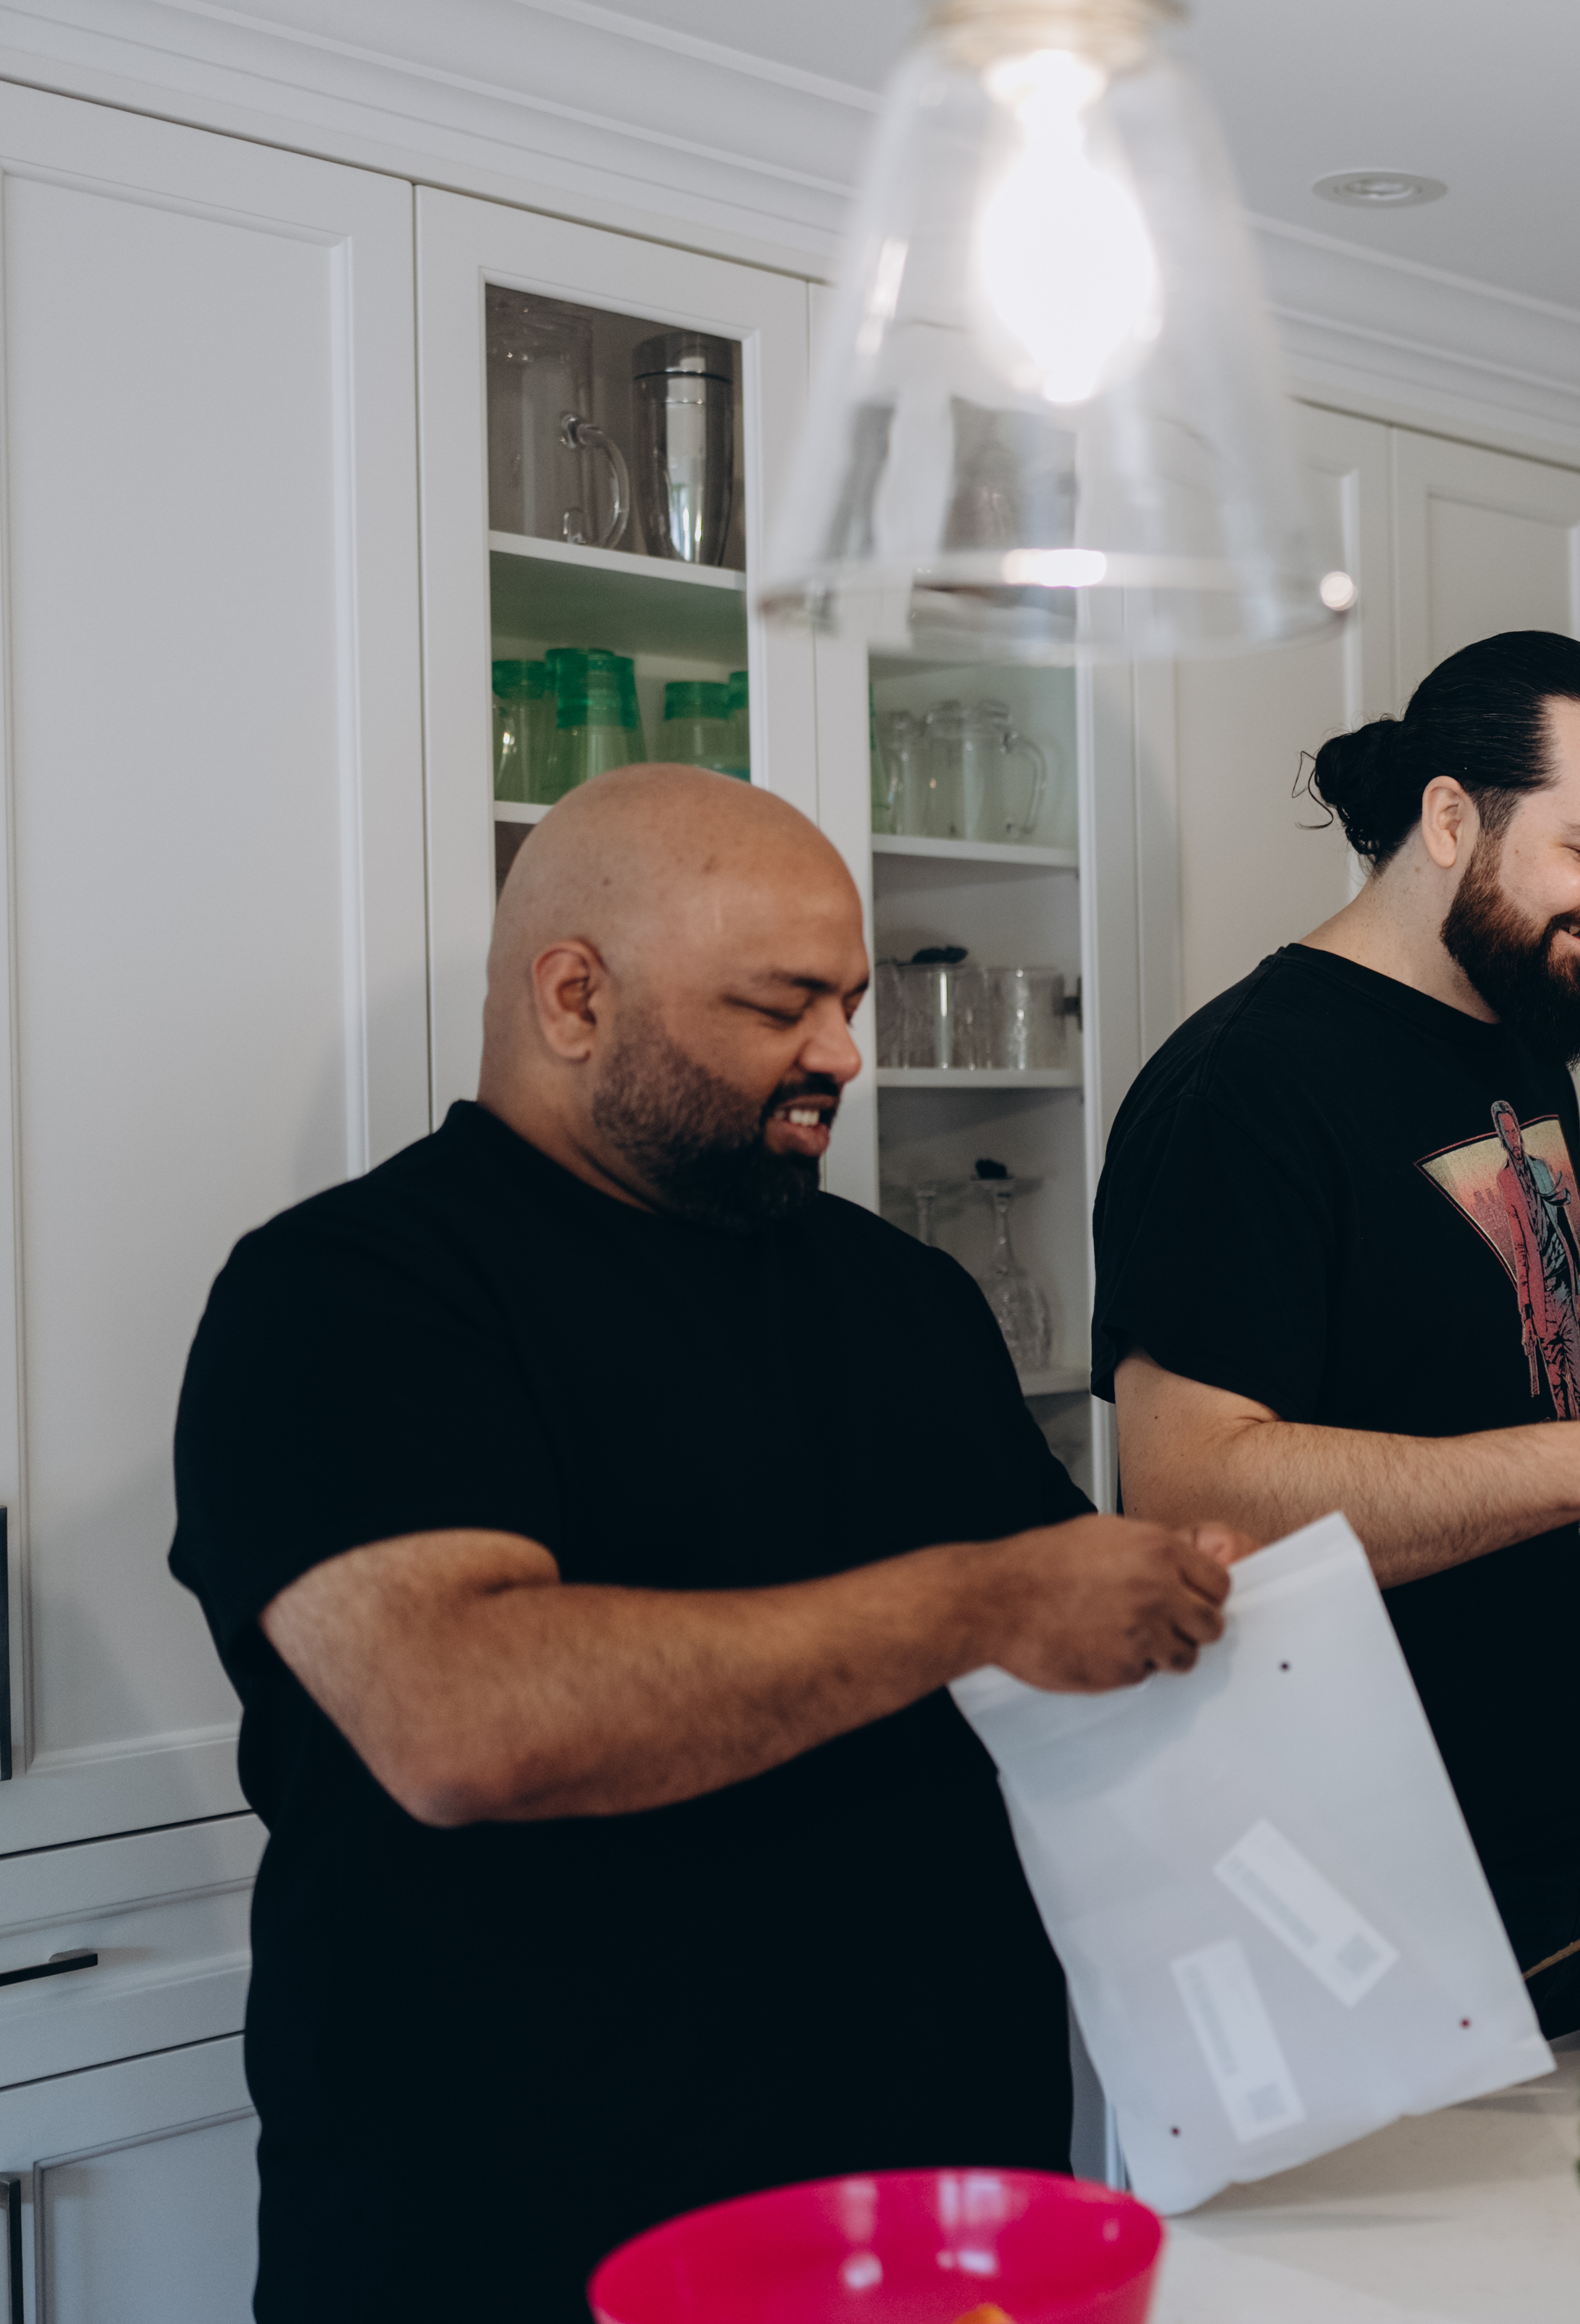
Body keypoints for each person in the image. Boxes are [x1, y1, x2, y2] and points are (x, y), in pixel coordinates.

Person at [167, 768, 1244, 2324]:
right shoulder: (350, 1291)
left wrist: (1168, 1599)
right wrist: (980, 1602)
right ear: (576, 998)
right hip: (514, 2246)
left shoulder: (906, 1298)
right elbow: (462, 1717)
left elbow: (1059, 1638)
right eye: (779, 1005)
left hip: (938, 2227)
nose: (844, 1054)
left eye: (849, 1002)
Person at [1093, 631, 1580, 2036]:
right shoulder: (1242, 1090)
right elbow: (1192, 1496)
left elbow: (1493, 1387)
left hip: (1559, 1818)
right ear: (1447, 819)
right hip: (1342, 1857)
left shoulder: (1518, 1033)